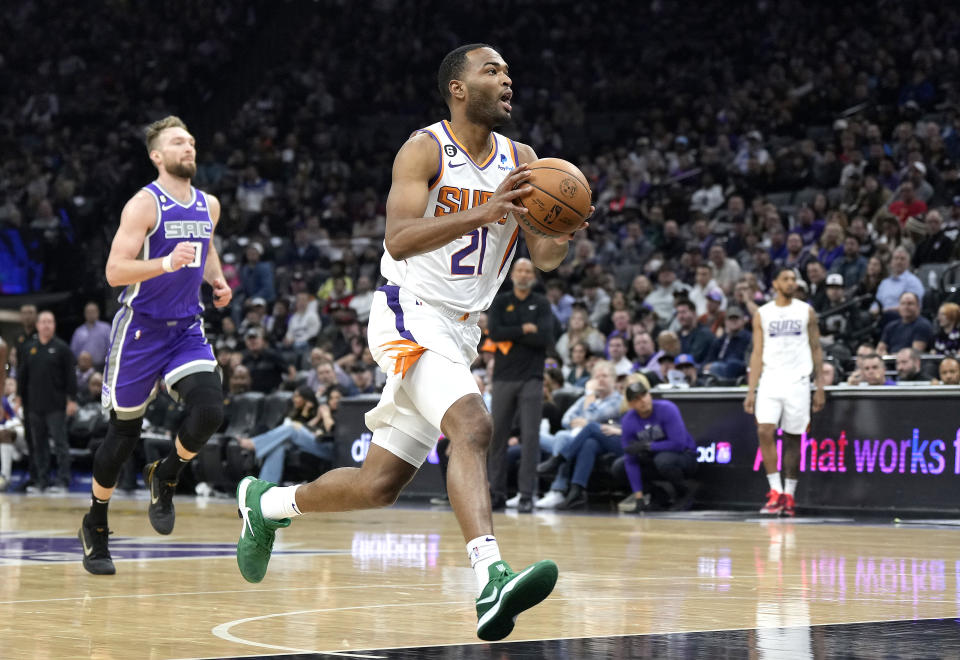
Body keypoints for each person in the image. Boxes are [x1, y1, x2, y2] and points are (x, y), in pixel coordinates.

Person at [233, 44, 591, 641]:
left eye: (508, 72)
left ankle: (265, 506)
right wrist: (483, 212)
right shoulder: (425, 148)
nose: (507, 79)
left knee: (379, 485)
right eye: (492, 71)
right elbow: (398, 240)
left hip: (461, 329)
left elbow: (547, 258)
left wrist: (569, 223)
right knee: (473, 426)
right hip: (407, 311)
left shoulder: (524, 160)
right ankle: (490, 578)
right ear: (458, 87)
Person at [79, 116, 232, 576]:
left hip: (186, 328)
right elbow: (113, 272)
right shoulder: (144, 205)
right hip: (141, 330)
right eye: (176, 142)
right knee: (122, 436)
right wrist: (165, 262)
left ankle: (165, 474)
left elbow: (205, 249)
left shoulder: (209, 205)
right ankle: (96, 523)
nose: (188, 146)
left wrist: (217, 279)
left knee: (210, 411)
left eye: (190, 140)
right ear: (157, 156)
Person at [744, 267, 825, 518]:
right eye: (786, 279)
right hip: (770, 380)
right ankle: (775, 491)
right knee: (764, 430)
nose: (791, 283)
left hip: (798, 381)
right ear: (776, 284)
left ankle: (789, 495)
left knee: (793, 438)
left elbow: (816, 348)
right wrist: (751, 390)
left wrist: (819, 386)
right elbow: (757, 352)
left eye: (793, 279)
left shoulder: (805, 311)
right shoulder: (763, 313)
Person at [486, 258, 553, 513]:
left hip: (532, 378)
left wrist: (513, 332)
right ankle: (496, 493)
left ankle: (527, 495)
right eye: (520, 270)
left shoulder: (542, 303)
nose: (524, 274)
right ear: (512, 274)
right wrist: (525, 329)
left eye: (528, 271)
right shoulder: (502, 301)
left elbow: (545, 337)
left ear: (533, 276)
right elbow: (495, 332)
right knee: (497, 438)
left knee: (530, 438)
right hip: (503, 377)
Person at [535, 360, 622, 508]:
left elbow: (592, 420)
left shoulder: (618, 400)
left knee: (588, 432)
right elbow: (566, 419)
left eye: (605, 376)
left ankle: (559, 474)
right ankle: (575, 492)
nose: (600, 379)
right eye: (597, 376)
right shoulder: (584, 399)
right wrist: (580, 420)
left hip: (608, 440)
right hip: (577, 438)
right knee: (542, 436)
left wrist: (589, 398)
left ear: (614, 380)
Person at [18, 311, 77, 494]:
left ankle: (63, 481)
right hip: (34, 406)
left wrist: (71, 400)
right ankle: (41, 481)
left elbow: (71, 377)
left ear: (54, 325)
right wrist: (20, 398)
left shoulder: (62, 348)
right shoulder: (29, 348)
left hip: (56, 406)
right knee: (39, 445)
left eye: (49, 322)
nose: (46, 325)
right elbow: (22, 376)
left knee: (60, 445)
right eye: (43, 322)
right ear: (37, 325)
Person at [617, 381, 698, 512]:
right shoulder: (628, 421)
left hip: (685, 456)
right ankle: (659, 494)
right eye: (636, 399)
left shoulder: (667, 408)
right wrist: (639, 498)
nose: (642, 401)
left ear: (650, 395)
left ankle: (685, 492)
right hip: (655, 460)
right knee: (619, 467)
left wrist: (648, 446)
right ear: (631, 404)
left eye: (644, 395)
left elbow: (679, 444)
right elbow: (630, 459)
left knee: (663, 459)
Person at [237, 386, 332, 483]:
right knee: (278, 447)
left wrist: (318, 415)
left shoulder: (323, 411)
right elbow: (281, 427)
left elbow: (322, 430)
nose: (293, 399)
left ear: (306, 398)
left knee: (291, 427)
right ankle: (265, 487)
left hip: (321, 444)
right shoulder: (292, 409)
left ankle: (255, 444)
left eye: (297, 396)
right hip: (297, 444)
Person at [69, 302, 112, 370]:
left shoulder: (106, 328)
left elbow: (111, 347)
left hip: (103, 367)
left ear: (98, 312)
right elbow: (73, 351)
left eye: (93, 311)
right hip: (84, 369)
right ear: (85, 314)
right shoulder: (78, 331)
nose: (91, 314)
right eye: (88, 312)